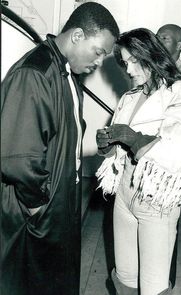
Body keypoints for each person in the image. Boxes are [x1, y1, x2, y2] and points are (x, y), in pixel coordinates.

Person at [1, 3, 119, 295]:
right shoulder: (35, 73)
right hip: (37, 207)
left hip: (59, 199)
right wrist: (39, 205)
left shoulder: (67, 73)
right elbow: (18, 157)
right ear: (77, 35)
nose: (99, 62)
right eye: (99, 52)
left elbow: (66, 137)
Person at [96, 28, 181, 295]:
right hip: (125, 192)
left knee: (153, 286)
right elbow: (118, 149)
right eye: (125, 63)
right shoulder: (130, 97)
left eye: (134, 60)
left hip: (157, 199)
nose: (129, 69)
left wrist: (135, 140)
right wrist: (108, 147)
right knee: (124, 276)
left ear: (150, 54)